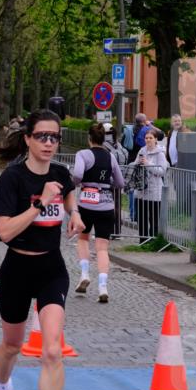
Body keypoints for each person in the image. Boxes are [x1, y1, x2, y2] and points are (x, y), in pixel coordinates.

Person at [0, 109, 85, 390]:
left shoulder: (60, 174)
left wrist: (74, 213)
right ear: (27, 139)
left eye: (54, 137)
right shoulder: (12, 179)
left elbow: (69, 195)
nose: (49, 143)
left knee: (52, 351)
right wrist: (40, 204)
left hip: (51, 268)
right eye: (42, 136)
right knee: (11, 347)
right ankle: (3, 387)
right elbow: (4, 232)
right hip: (16, 268)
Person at [73, 123, 125, 303]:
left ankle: (85, 274)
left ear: (89, 138)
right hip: (106, 206)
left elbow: (78, 174)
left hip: (86, 204)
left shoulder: (83, 154)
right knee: (102, 248)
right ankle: (103, 286)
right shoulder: (110, 157)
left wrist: (77, 182)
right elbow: (120, 182)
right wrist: (106, 182)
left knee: (83, 239)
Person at [133, 128, 167, 240]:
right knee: (141, 217)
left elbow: (162, 171)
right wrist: (136, 163)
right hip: (141, 189)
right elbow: (134, 164)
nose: (148, 140)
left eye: (150, 138)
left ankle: (153, 241)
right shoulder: (142, 151)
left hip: (154, 190)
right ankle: (142, 241)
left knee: (154, 218)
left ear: (156, 139)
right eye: (146, 138)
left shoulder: (160, 153)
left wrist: (148, 164)